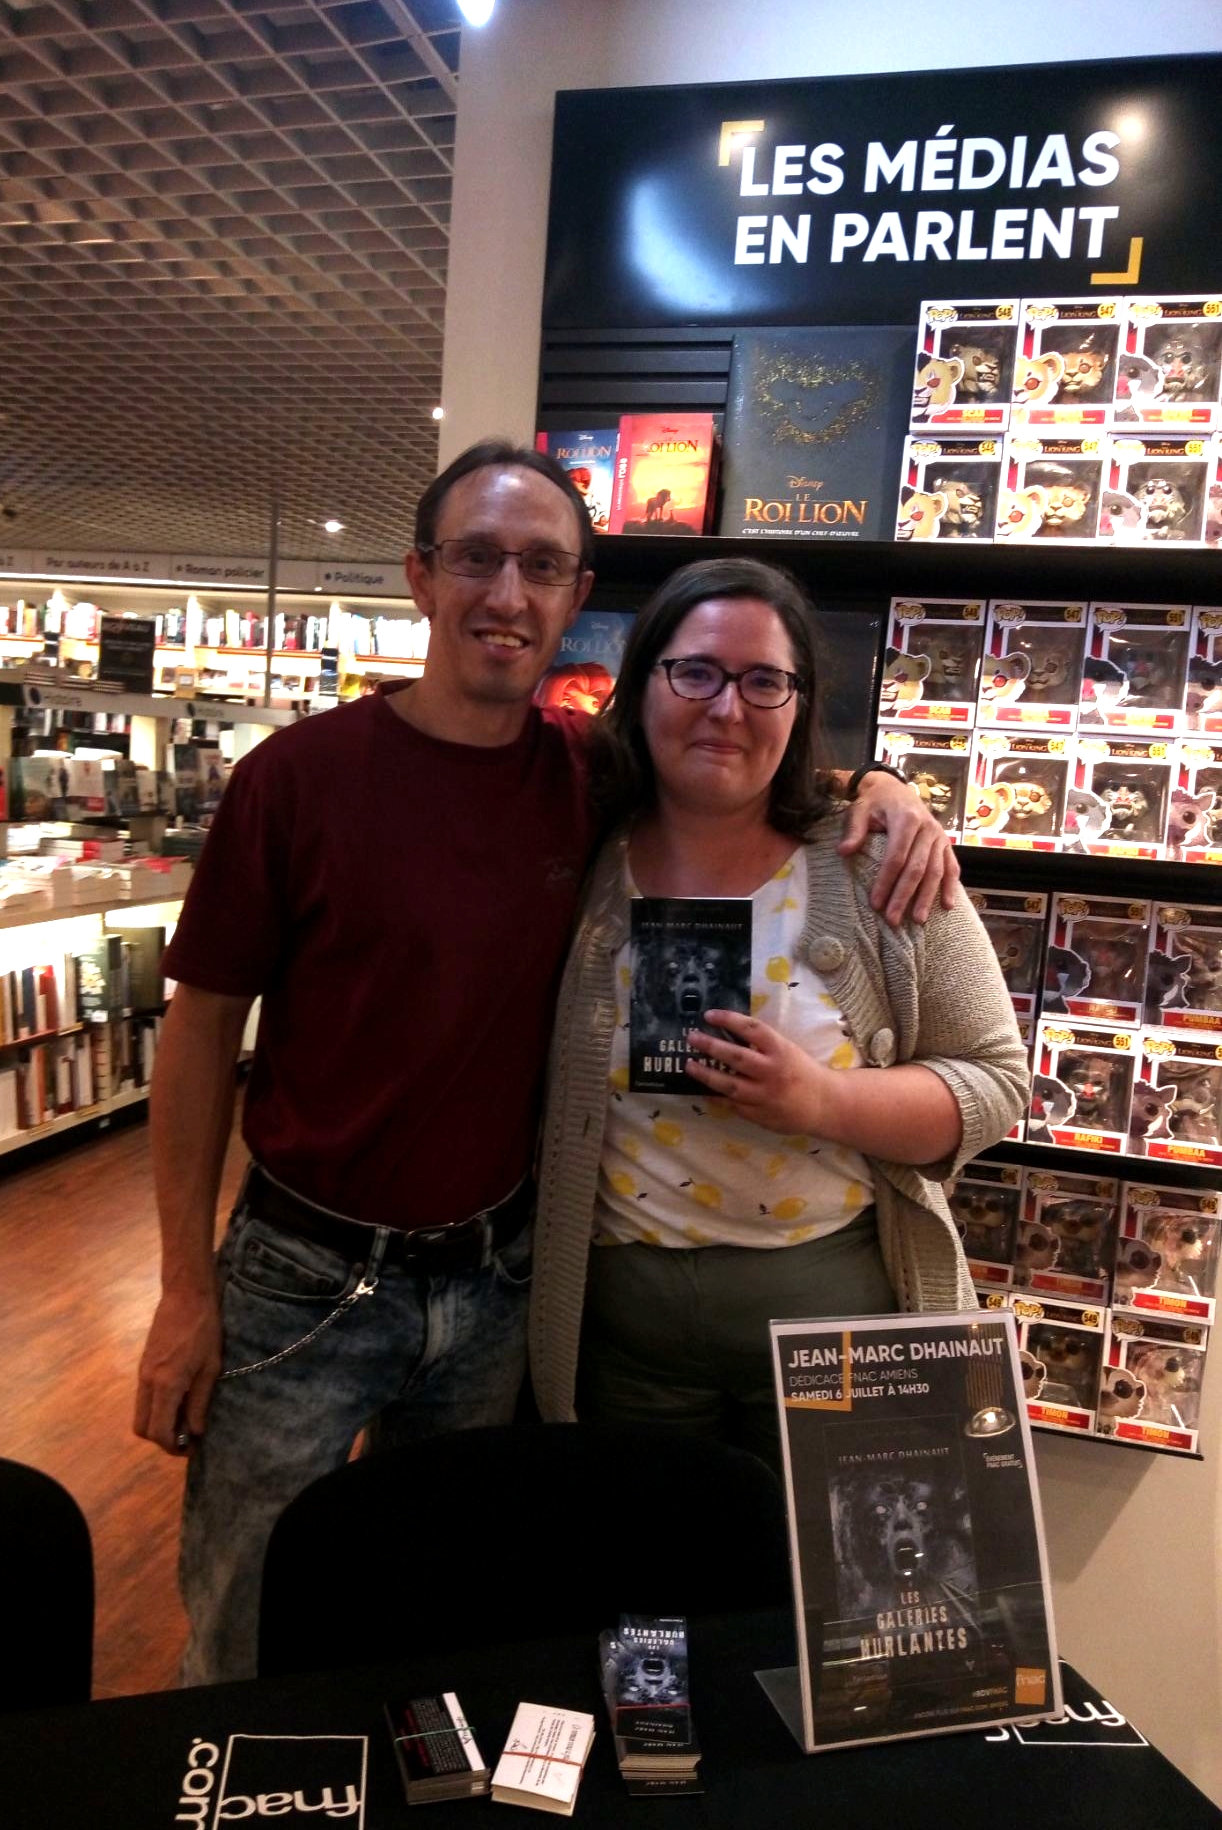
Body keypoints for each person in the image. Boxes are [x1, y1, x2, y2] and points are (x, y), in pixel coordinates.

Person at [133, 442, 957, 1684]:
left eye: (542, 565)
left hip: (498, 1285)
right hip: (301, 1276)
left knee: (448, 1624)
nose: (507, 593)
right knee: (249, 1622)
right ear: (421, 575)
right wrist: (182, 1288)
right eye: (477, 557)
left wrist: (885, 786)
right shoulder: (292, 780)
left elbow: (738, 755)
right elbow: (199, 1030)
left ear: (576, 597)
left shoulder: (591, 782)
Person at [529, 556, 1029, 1468]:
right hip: (622, 1343)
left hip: (836, 1332)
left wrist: (825, 1101)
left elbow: (996, 1084)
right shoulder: (584, 844)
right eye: (696, 672)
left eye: (764, 681)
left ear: (799, 704)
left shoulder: (877, 862)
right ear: (643, 684)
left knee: (833, 1564)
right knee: (645, 1561)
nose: (727, 708)